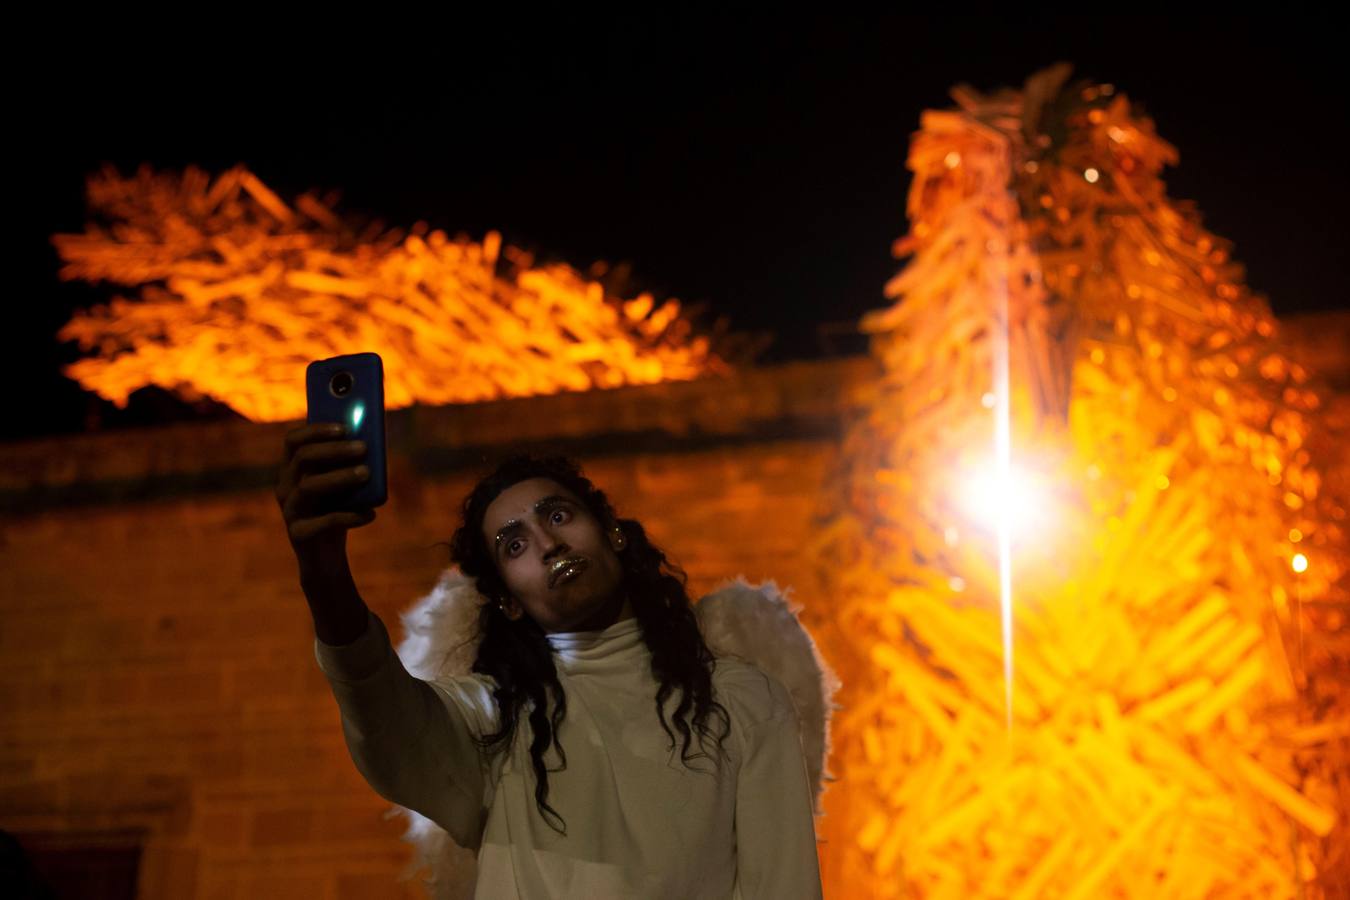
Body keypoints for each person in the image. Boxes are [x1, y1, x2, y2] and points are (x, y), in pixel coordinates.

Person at [276, 422, 823, 898]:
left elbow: (783, 887)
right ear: (508, 601)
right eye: (514, 546)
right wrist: (323, 579)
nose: (547, 544)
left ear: (612, 534)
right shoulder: (493, 721)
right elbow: (385, 713)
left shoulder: (743, 701)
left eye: (558, 515)